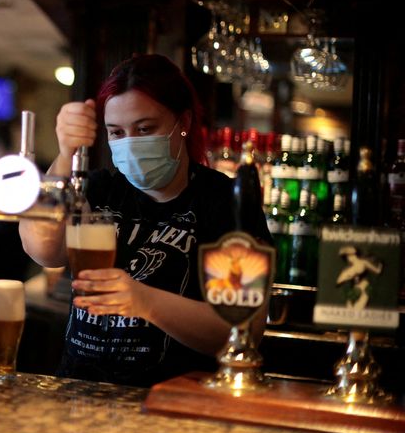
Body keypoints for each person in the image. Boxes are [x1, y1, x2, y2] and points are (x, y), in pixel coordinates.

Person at [19, 54, 271, 387]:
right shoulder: (100, 190)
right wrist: (66, 153)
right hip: (78, 394)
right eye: (116, 132)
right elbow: (41, 248)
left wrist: (146, 302)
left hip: (172, 402)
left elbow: (245, 329)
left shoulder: (226, 202)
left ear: (184, 122)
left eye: (145, 128)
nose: (131, 143)